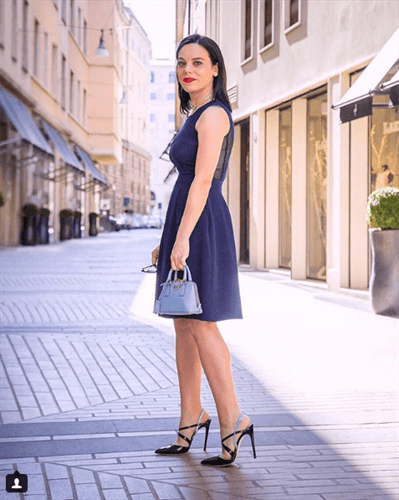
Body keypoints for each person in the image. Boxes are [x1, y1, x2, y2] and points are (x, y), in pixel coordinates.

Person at [150, 34, 256, 467]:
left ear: (215, 68)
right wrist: (167, 238)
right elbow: (186, 184)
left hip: (201, 221)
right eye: (180, 63)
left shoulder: (213, 116)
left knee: (203, 322)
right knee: (184, 323)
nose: (187, 70)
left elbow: (201, 180)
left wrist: (182, 236)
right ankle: (191, 416)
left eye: (197, 62)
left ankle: (233, 419)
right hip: (187, 217)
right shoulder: (195, 113)